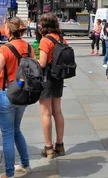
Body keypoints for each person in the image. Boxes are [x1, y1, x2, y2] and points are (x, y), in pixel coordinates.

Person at [0, 17, 32, 178]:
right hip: (23, 93)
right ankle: (25, 164)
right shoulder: (28, 47)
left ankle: (8, 174)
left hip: (6, 93)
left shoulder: (5, 49)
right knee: (16, 130)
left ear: (9, 30)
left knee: (7, 134)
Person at [36, 13, 67, 159]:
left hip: (46, 78)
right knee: (58, 112)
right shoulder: (61, 38)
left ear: (44, 25)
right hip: (58, 78)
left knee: (46, 113)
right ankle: (60, 145)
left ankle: (48, 147)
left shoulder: (45, 40)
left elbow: (42, 63)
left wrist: (33, 60)